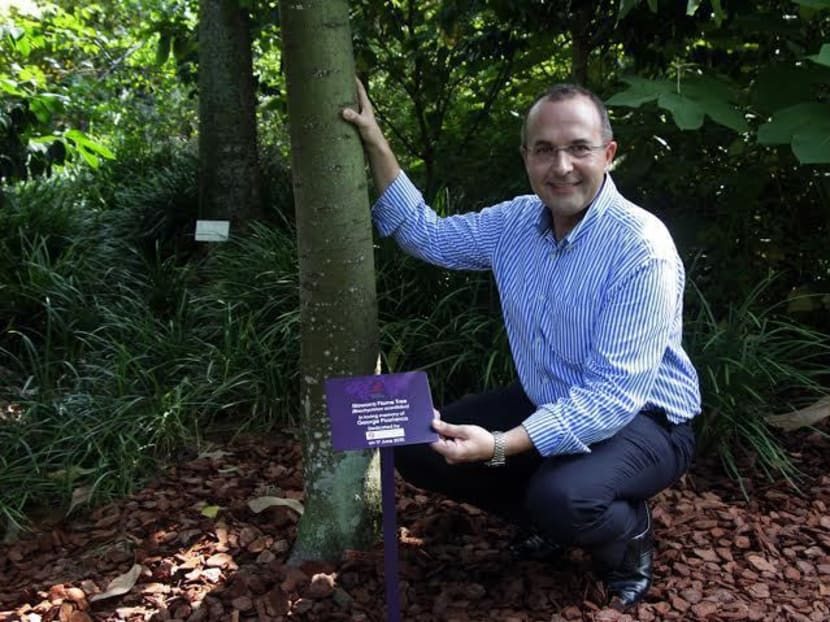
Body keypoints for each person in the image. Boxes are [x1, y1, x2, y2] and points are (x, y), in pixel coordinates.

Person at [342, 79, 700, 611]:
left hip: (647, 420)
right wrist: (372, 138)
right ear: (527, 157)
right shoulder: (514, 223)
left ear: (608, 154)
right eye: (545, 150)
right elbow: (427, 235)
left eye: (579, 148)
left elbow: (612, 398)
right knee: (418, 445)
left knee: (564, 498)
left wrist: (503, 445)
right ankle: (546, 519)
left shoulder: (641, 247)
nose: (562, 167)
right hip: (549, 397)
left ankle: (625, 535)